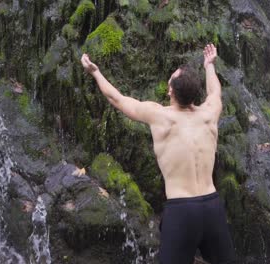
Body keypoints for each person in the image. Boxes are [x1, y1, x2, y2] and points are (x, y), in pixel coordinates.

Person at [81, 44, 236, 264]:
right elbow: (215, 92)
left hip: (182, 210)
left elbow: (117, 99)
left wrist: (95, 72)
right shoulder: (209, 114)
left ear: (170, 90)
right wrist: (209, 65)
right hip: (212, 207)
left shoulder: (159, 116)